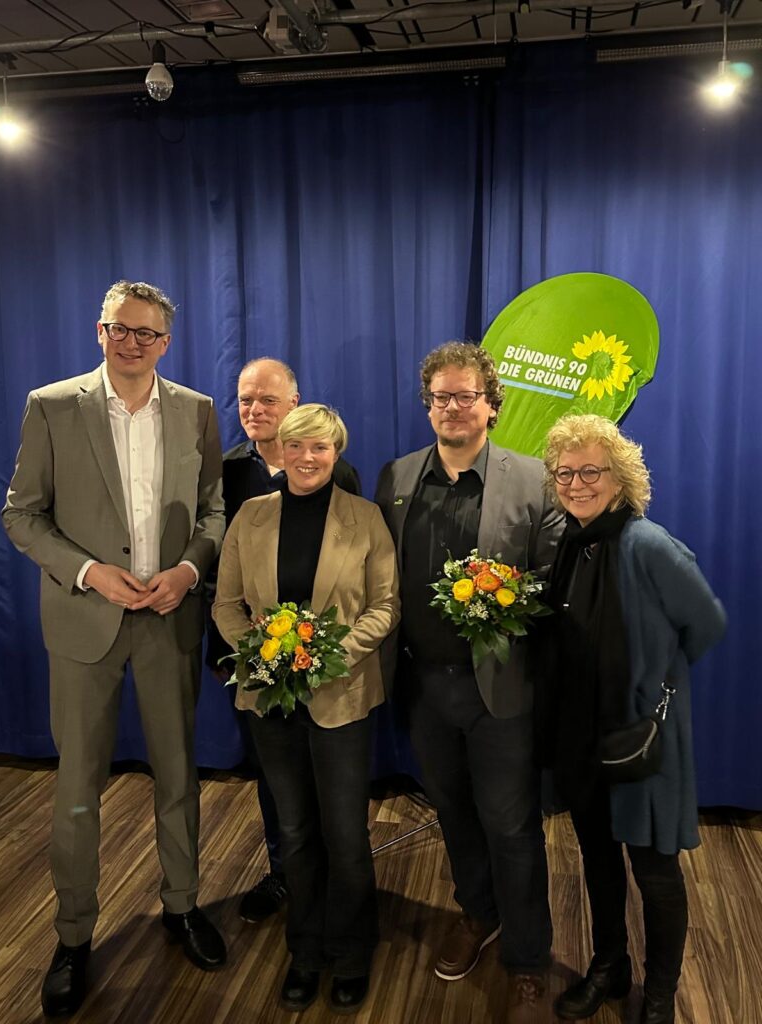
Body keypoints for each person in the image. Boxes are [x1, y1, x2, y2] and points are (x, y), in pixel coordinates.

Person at [2, 281, 227, 1017]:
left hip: (167, 617)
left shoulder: (196, 411)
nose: (132, 343)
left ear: (167, 342)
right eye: (120, 330)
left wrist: (191, 569)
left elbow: (214, 510)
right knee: (75, 792)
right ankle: (72, 936)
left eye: (147, 334)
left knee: (176, 775)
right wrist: (89, 571)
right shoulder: (52, 404)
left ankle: (183, 906)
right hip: (82, 618)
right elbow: (22, 516)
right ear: (100, 331)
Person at [375, 342, 563, 1016]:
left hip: (502, 690)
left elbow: (550, 581)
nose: (452, 408)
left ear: (491, 405)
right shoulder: (396, 477)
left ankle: (528, 954)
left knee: (511, 825)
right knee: (453, 813)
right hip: (424, 687)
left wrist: (506, 599)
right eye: (440, 398)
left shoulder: (535, 479)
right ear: (428, 407)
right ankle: (476, 914)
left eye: (465, 396)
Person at [213, 403, 399, 1015]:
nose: (307, 458)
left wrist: (324, 656)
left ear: (335, 452)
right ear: (281, 453)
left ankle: (350, 952)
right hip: (269, 697)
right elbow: (226, 604)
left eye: (319, 447)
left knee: (345, 833)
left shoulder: (366, 517)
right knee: (293, 831)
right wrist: (264, 653)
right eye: (296, 447)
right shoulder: (250, 515)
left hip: (341, 695)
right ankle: (306, 951)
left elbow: (384, 606)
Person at [541, 413, 726, 1024]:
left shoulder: (648, 544)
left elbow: (707, 623)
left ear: (619, 478)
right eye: (565, 473)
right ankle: (610, 966)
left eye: (591, 471)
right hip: (583, 736)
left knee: (655, 873)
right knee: (596, 858)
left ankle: (660, 991)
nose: (576, 483)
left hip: (640, 739)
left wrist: (659, 681)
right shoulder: (571, 540)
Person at [206, 358, 361, 924]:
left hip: (325, 664)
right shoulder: (222, 472)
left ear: (294, 404)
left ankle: (333, 877)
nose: (254, 411)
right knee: (274, 776)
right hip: (254, 658)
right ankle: (284, 871)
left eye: (268, 400)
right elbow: (218, 572)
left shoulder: (337, 474)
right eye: (245, 400)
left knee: (328, 775)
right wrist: (251, 652)